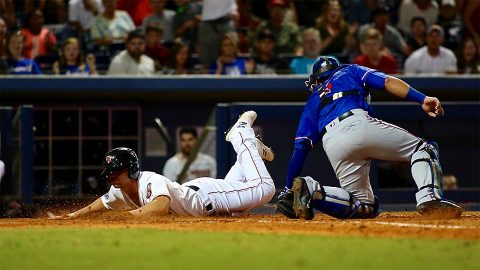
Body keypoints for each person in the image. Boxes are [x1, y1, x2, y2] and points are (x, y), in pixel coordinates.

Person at [276, 56, 463, 220]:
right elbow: (388, 82)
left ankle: (312, 190)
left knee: (365, 207)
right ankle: (429, 199)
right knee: (424, 149)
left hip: (332, 143)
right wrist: (422, 99)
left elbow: (301, 148)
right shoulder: (350, 70)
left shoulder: (313, 99)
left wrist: (287, 189)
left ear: (317, 80)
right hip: (357, 123)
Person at [49, 111, 276, 218]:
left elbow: (159, 207)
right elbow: (101, 203)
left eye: (116, 172)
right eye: (110, 173)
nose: (112, 177)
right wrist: (72, 217)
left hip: (210, 197)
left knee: (265, 189)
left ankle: (242, 133)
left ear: (132, 170)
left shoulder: (149, 179)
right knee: (241, 187)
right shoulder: (120, 190)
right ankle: (251, 149)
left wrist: (123, 217)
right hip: (201, 196)